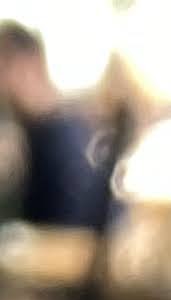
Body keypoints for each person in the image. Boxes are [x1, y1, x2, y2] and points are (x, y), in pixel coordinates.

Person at [0, 21, 107, 227]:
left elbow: (70, 226)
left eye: (4, 66)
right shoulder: (29, 131)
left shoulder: (61, 136)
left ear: (30, 64)